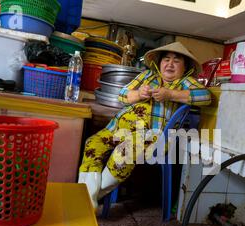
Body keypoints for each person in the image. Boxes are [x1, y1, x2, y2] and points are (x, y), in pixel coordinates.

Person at [78, 42, 212, 208]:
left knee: (124, 151)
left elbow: (205, 97)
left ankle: (88, 198)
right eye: (166, 59)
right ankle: (86, 198)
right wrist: (138, 94)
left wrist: (170, 94)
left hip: (153, 136)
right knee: (92, 143)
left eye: (176, 61)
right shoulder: (147, 75)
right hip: (118, 129)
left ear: (185, 67)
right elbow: (122, 95)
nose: (170, 64)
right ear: (159, 63)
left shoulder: (185, 82)